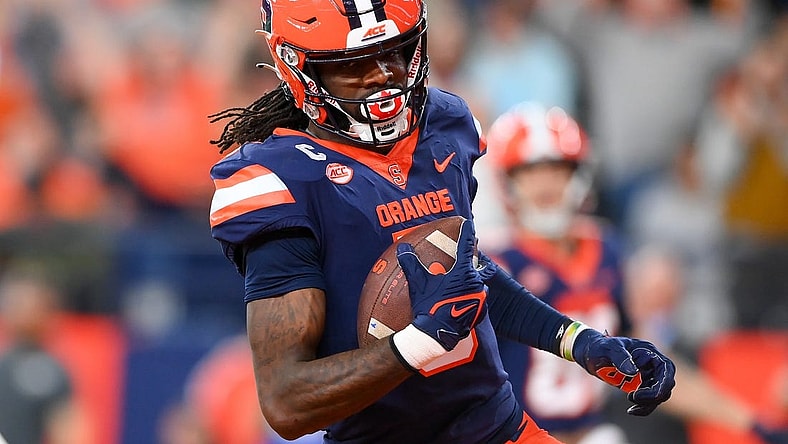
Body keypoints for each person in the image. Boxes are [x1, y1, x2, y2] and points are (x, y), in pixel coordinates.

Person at [207, 1, 675, 442]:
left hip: (500, 428)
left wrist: (577, 341)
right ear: (298, 67)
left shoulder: (444, 123)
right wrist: (420, 342)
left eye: (394, 53)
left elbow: (464, 278)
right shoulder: (278, 179)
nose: (382, 78)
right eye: (351, 64)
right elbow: (286, 403)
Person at [482, 102, 631, 444]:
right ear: (506, 182)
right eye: (529, 172)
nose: (545, 184)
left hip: (592, 431)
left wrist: (745, 419)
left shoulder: (606, 247)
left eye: (557, 169)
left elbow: (644, 343)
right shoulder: (494, 260)